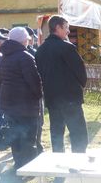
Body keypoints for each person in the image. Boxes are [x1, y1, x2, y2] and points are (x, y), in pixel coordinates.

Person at [35, 15, 88, 153]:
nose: (68, 31)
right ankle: (78, 161)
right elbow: (80, 71)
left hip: (52, 99)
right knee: (78, 134)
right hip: (70, 99)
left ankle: (58, 162)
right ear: (57, 28)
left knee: (57, 134)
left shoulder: (40, 50)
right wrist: (82, 85)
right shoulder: (67, 47)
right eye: (66, 28)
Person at [0, 26, 43, 169]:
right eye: (27, 39)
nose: (28, 41)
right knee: (29, 138)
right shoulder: (25, 57)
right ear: (23, 40)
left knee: (15, 137)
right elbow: (34, 81)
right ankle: (28, 168)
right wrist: (39, 95)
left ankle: (18, 165)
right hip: (26, 105)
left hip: (8, 104)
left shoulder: (4, 56)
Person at [24, 26, 44, 153]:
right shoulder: (29, 54)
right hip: (32, 93)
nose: (33, 40)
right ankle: (36, 145)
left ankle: (36, 144)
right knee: (36, 121)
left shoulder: (32, 51)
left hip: (24, 95)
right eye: (31, 38)